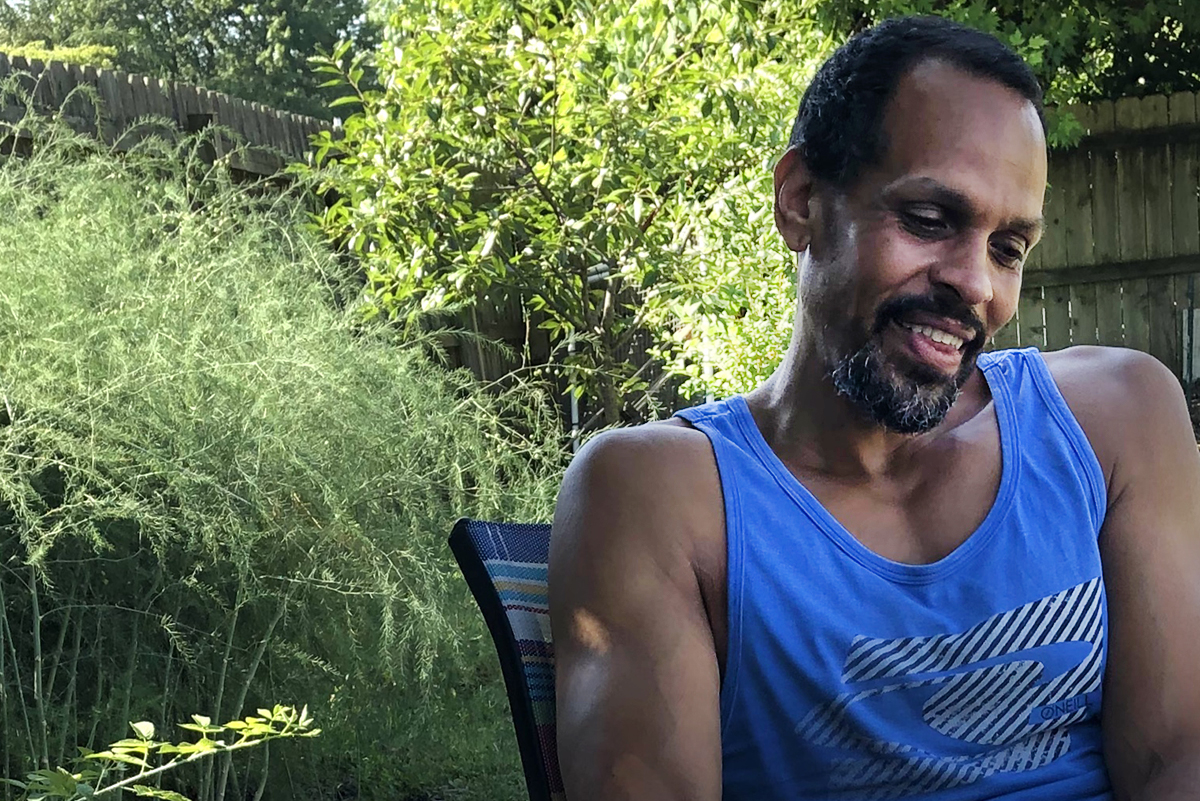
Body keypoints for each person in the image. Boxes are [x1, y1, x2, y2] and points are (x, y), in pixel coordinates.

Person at [547, 14, 1200, 801]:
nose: (978, 286)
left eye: (1008, 248)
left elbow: (1177, 756)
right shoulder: (662, 497)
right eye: (929, 220)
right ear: (801, 202)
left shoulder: (1119, 422)